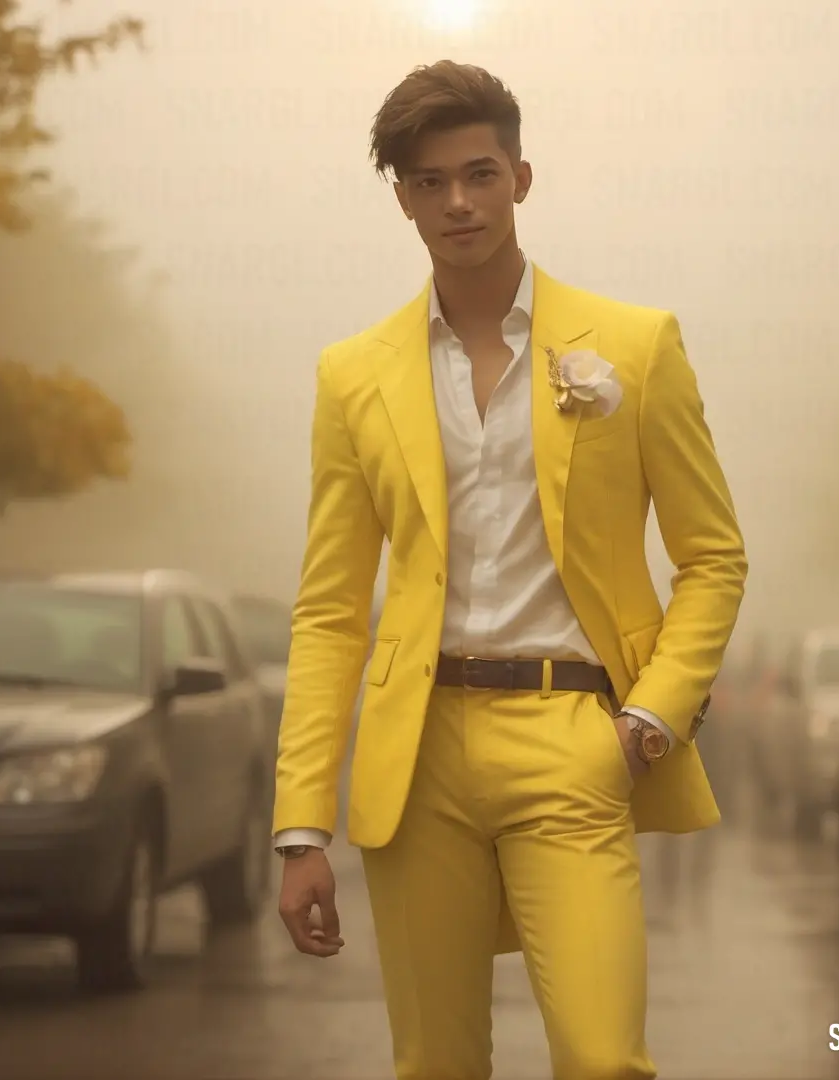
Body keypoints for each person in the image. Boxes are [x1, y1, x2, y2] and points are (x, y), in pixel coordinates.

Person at [273, 60, 747, 1080]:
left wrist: (650, 717)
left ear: (521, 179)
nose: (458, 202)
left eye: (480, 174)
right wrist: (300, 825)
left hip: (576, 738)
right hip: (418, 753)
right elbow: (328, 612)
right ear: (401, 196)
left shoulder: (633, 345)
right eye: (430, 181)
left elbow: (712, 556)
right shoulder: (353, 375)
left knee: (601, 1056)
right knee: (435, 1065)